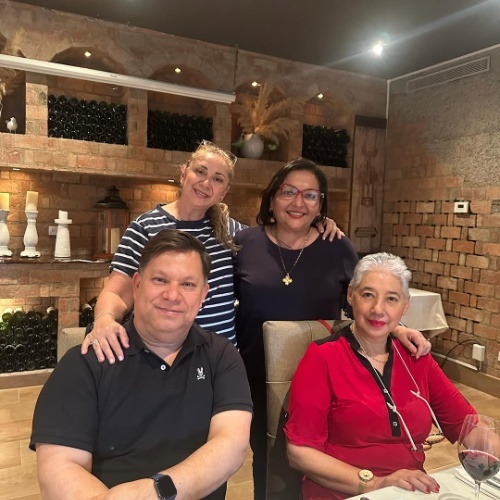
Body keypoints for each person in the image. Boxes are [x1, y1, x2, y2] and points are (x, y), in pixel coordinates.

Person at [232, 158, 432, 500]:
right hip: (255, 377)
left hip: (327, 378)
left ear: (320, 204)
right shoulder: (244, 243)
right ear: (272, 197)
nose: (298, 202)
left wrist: (397, 329)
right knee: (267, 462)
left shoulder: (336, 245)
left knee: (319, 458)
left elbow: (366, 301)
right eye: (289, 192)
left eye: (310, 195)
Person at [30, 229, 253, 500]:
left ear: (203, 294)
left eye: (188, 284)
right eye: (160, 280)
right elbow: (59, 469)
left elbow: (231, 446)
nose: (172, 295)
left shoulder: (222, 357)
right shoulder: (87, 361)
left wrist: (156, 491)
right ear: (136, 284)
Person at [81, 141, 341, 362]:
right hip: (161, 357)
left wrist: (316, 224)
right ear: (184, 174)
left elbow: (278, 237)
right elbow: (117, 291)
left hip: (221, 361)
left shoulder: (231, 232)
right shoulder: (145, 227)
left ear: (223, 192)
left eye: (217, 179)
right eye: (200, 172)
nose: (206, 183)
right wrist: (104, 320)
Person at [284, 252, 476, 499]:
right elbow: (299, 453)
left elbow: (468, 425)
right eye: (368, 295)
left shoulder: (416, 357)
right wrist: (376, 484)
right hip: (344, 492)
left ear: (405, 305)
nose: (378, 309)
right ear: (351, 295)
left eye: (391, 299)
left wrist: (487, 445)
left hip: (408, 492)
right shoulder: (322, 357)